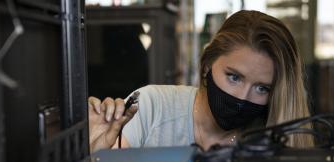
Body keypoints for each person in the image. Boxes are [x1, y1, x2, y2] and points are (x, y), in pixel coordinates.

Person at [88, 10, 313, 153]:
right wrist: (95, 155)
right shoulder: (151, 106)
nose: (242, 98)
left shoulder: (273, 137)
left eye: (262, 88)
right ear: (207, 65)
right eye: (234, 77)